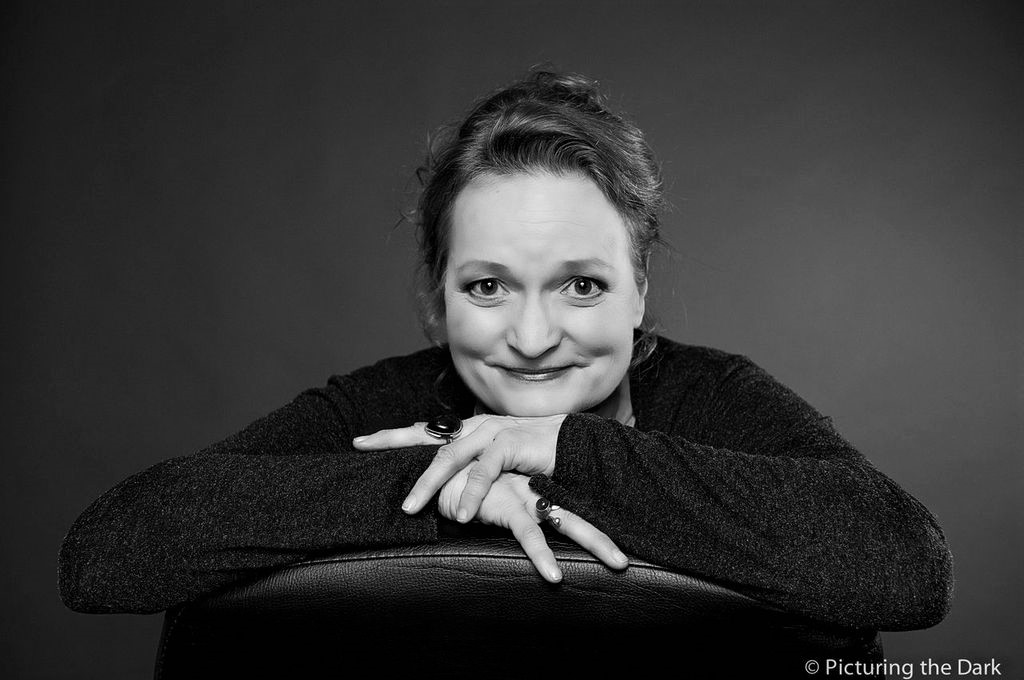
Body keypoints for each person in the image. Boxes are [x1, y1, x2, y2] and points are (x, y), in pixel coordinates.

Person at [59, 70, 953, 637]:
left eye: (582, 286)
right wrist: (454, 482)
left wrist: (562, 451)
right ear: (437, 299)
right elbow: (108, 554)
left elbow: (903, 567)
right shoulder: (380, 405)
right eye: (488, 287)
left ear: (640, 292)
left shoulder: (711, 394)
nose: (531, 338)